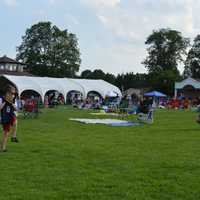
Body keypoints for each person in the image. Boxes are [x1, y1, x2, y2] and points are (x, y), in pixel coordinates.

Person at [0, 85, 19, 152]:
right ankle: (3, 148)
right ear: (7, 93)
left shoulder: (13, 99)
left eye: (13, 93)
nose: (13, 95)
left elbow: (17, 109)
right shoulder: (1, 99)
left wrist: (11, 103)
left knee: (15, 121)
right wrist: (5, 102)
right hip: (5, 117)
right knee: (6, 133)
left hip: (11, 116)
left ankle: (13, 136)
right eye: (12, 93)